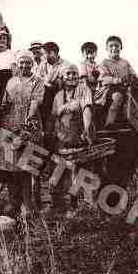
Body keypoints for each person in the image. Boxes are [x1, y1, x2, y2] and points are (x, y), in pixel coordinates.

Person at [0, 50, 45, 217]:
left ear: (32, 64)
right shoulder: (11, 81)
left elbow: (34, 105)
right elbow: (5, 103)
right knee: (10, 166)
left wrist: (25, 127)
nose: (24, 65)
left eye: (28, 62)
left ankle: (28, 204)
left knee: (26, 167)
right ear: (17, 65)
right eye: (21, 63)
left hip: (29, 126)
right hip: (10, 125)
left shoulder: (37, 81)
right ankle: (14, 202)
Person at [50, 64, 95, 217]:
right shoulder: (58, 96)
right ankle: (58, 206)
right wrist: (63, 109)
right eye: (68, 74)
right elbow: (54, 115)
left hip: (79, 139)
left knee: (80, 174)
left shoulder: (83, 89)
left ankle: (79, 207)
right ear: (63, 77)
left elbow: (86, 109)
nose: (72, 76)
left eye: (75, 74)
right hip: (63, 140)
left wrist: (87, 128)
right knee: (59, 175)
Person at [97, 36, 136, 128]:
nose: (114, 48)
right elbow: (103, 79)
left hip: (126, 88)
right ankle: (110, 123)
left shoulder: (125, 62)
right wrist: (118, 80)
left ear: (120, 47)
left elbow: (132, 74)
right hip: (110, 89)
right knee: (118, 97)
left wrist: (132, 78)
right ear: (107, 48)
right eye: (111, 46)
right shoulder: (104, 63)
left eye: (116, 46)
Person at [36, 42, 69, 151]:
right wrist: (47, 81)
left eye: (44, 54)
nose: (42, 57)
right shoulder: (43, 64)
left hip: (61, 96)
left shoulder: (65, 64)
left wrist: (48, 81)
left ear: (52, 53)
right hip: (47, 98)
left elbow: (52, 81)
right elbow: (38, 80)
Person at [0, 30, 16, 96]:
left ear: (7, 41)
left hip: (9, 79)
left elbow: (14, 69)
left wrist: (13, 84)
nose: (2, 40)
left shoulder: (11, 53)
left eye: (4, 38)